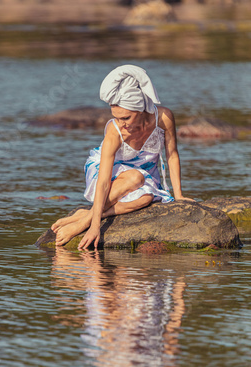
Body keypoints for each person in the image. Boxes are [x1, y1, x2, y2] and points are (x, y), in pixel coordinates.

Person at [51, 64, 193, 249]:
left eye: (126, 118)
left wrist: (179, 195)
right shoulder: (114, 130)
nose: (120, 123)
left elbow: (172, 155)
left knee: (146, 199)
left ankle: (88, 214)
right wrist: (93, 227)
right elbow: (103, 182)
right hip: (107, 172)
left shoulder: (164, 117)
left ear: (141, 109)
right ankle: (84, 221)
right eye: (116, 117)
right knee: (135, 176)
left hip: (145, 175)